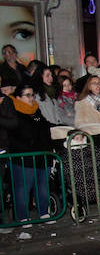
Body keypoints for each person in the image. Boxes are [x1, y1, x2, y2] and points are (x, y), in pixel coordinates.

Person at [5, 82, 54, 223]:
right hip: (23, 157)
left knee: (42, 184)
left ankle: (44, 212)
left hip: (41, 155)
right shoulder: (14, 111)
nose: (31, 98)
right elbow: (14, 136)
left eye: (32, 95)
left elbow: (44, 130)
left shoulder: (36, 111)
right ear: (18, 97)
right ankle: (22, 216)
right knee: (23, 187)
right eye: (27, 95)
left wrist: (47, 148)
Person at [74, 75, 100, 141]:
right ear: (89, 86)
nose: (97, 85)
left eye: (99, 83)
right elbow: (79, 123)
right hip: (93, 136)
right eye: (94, 83)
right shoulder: (82, 102)